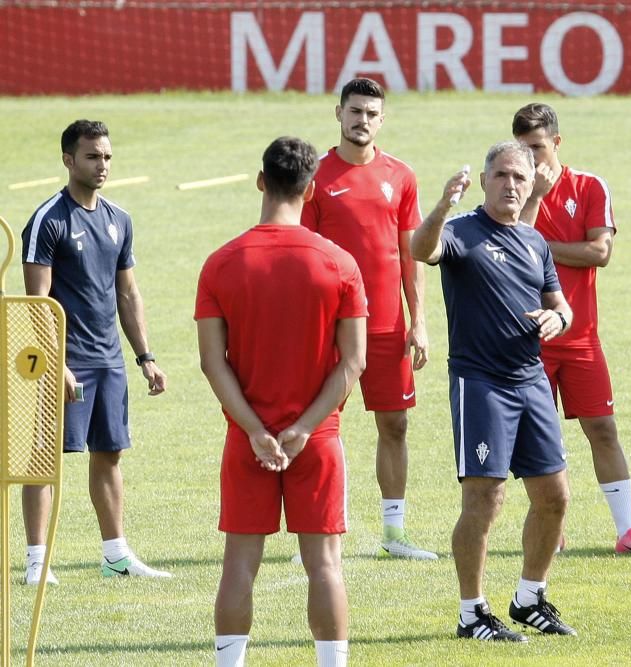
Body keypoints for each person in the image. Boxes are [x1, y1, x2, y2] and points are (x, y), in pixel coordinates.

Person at [196, 136, 367, 667]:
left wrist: (252, 428)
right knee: (324, 566)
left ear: (260, 180)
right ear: (311, 188)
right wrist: (304, 427)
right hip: (316, 440)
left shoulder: (221, 263)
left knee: (239, 565)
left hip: (246, 439)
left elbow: (212, 361)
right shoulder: (339, 264)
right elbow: (353, 363)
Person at [410, 141, 577, 642]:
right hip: (480, 382)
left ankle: (530, 597)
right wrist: (442, 206)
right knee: (486, 496)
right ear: (485, 181)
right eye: (501, 175)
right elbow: (421, 250)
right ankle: (471, 612)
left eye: (519, 179)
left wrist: (558, 318)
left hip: (531, 381)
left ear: (531, 186)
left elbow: (561, 305)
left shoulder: (534, 241)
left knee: (555, 496)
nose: (510, 185)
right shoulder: (461, 232)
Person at [20, 119, 170, 584]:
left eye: (106, 156)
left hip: (109, 360)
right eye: (91, 156)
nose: (102, 165)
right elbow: (36, 303)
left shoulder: (118, 219)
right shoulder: (49, 219)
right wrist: (58, 364)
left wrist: (145, 357)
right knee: (44, 457)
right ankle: (36, 563)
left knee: (109, 453)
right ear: (68, 160)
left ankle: (116, 557)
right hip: (62, 362)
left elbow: (127, 294)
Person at [513, 102, 631, 555]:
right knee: (536, 438)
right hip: (530, 339)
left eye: (537, 147)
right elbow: (514, 246)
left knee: (602, 429)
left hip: (580, 339)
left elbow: (600, 252)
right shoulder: (513, 188)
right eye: (523, 149)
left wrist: (541, 247)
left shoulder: (590, 186)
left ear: (556, 142)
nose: (531, 159)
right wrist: (534, 198)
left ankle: (628, 530)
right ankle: (550, 526)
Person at [301, 77, 435, 560]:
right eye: (354, 111)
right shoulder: (314, 175)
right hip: (331, 327)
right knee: (321, 426)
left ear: (383, 119)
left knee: (395, 425)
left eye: (371, 114)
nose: (362, 120)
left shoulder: (401, 175)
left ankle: (394, 533)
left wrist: (418, 320)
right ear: (337, 113)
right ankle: (317, 531)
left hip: (386, 326)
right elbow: (303, 256)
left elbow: (409, 253)